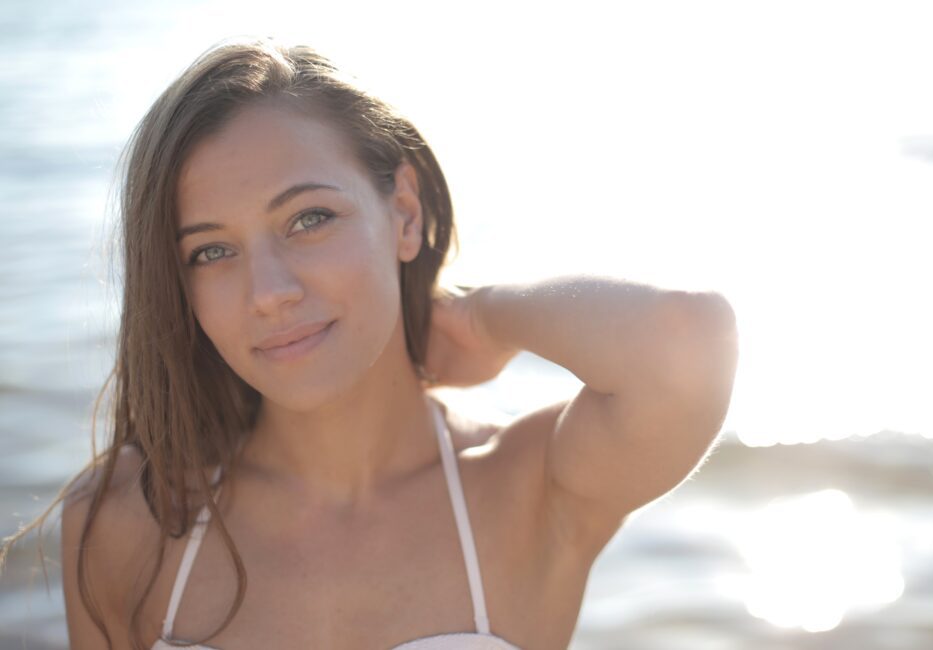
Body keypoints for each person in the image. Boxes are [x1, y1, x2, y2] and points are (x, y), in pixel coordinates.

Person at [3, 37, 739, 649]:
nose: (268, 292)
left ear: (404, 212)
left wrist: (483, 319)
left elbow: (684, 339)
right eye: (210, 253)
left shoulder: (524, 488)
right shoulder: (132, 519)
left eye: (308, 219)